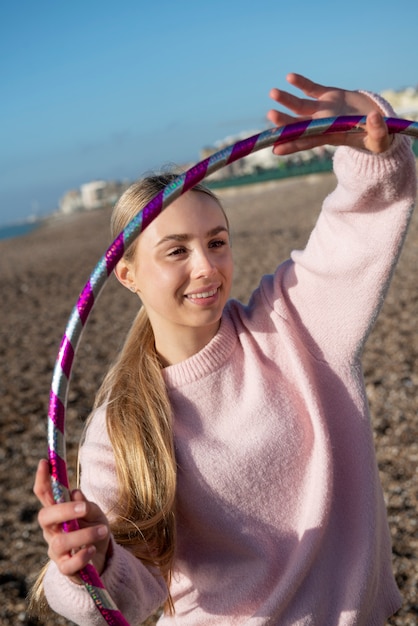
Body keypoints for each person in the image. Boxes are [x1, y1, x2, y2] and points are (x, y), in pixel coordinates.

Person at [31, 73, 417, 625]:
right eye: (176, 251)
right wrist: (86, 564)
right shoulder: (122, 427)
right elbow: (126, 595)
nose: (206, 267)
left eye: (216, 241)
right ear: (126, 274)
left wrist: (367, 139)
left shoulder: (294, 326)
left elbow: (359, 224)